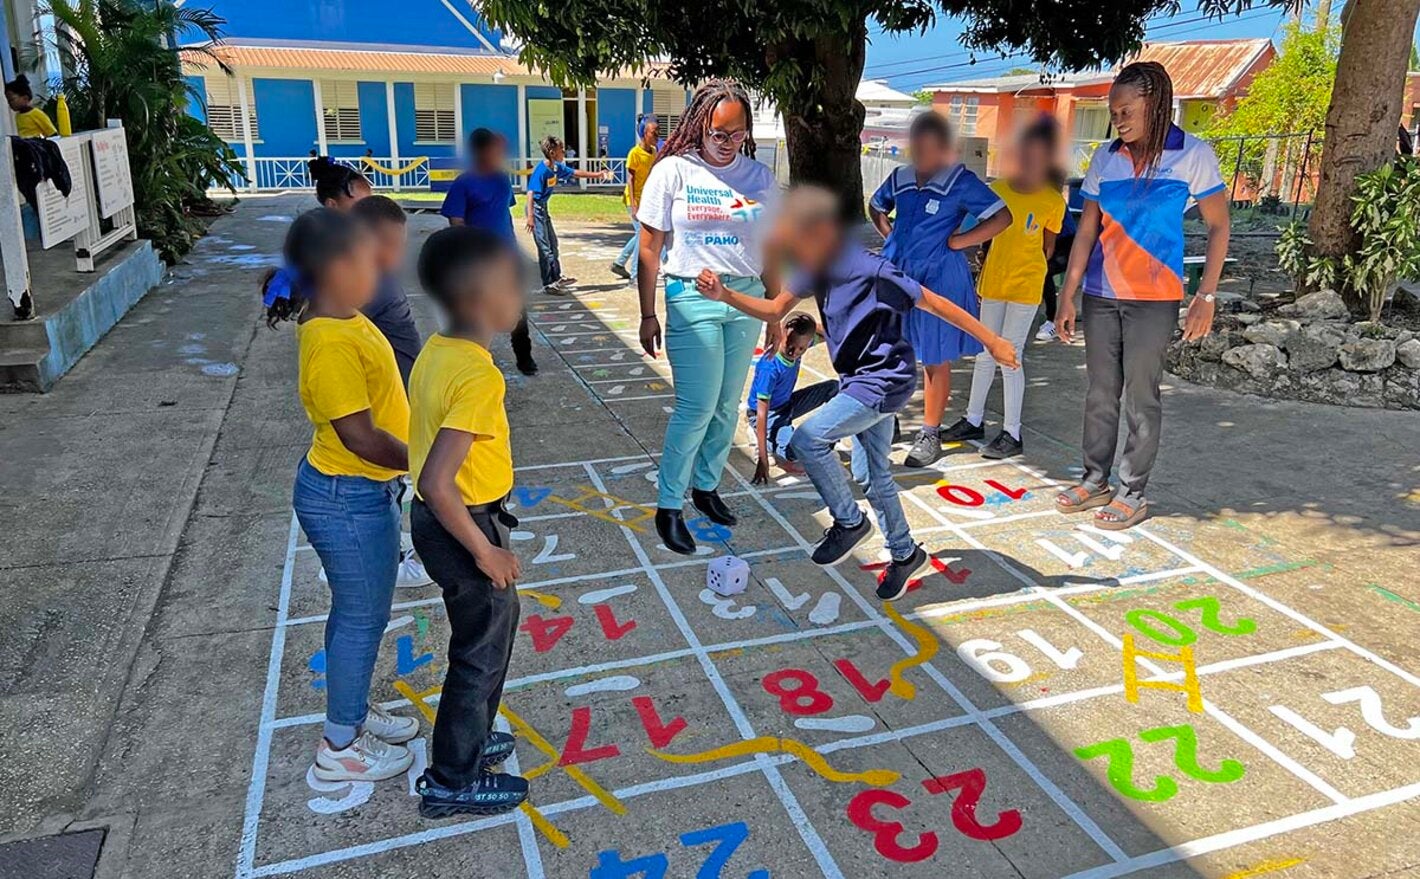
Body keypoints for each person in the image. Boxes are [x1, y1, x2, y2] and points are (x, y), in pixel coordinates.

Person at [695, 186, 1020, 601]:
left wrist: (992, 341)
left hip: (886, 380)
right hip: (857, 379)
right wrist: (725, 295)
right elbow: (776, 309)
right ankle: (905, 553)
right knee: (871, 473)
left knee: (809, 439)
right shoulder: (815, 267)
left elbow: (935, 303)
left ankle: (849, 522)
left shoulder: (872, 269)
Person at [263, 208, 419, 783]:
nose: (377, 268)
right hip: (345, 497)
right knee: (361, 617)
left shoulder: (347, 317)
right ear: (331, 270)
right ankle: (339, 748)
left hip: (363, 494)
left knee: (363, 615)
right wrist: (426, 460)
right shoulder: (328, 339)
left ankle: (351, 713)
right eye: (363, 260)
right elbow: (359, 437)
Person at [1054, 61, 1230, 531]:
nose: (1119, 119)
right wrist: (1067, 294)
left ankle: (1133, 490)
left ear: (1154, 105)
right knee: (1100, 391)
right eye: (1113, 112)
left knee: (1141, 396)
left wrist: (1205, 296)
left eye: (1127, 109)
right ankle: (1096, 480)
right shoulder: (1107, 158)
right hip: (1100, 293)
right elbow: (1087, 231)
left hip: (1154, 298)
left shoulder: (1192, 154)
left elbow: (1218, 226)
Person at [408, 226, 530, 818]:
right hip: (463, 527)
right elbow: (436, 482)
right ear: (482, 295)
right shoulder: (479, 375)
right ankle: (451, 777)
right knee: (479, 651)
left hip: (451, 522)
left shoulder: (440, 350)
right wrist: (486, 551)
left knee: (492, 634)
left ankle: (473, 740)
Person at [636, 79, 781, 555]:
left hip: (744, 299)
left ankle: (706, 486)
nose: (725, 143)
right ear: (699, 125)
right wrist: (647, 313)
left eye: (735, 134)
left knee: (725, 405)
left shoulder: (759, 178)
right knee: (696, 406)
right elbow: (650, 248)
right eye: (717, 133)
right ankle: (669, 505)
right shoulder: (673, 171)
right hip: (691, 296)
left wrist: (775, 313)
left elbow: (771, 251)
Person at [869, 112, 1013, 468]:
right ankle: (891, 418)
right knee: (890, 347)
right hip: (898, 274)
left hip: (939, 276)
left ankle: (929, 433)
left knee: (934, 355)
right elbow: (876, 206)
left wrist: (962, 240)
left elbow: (1002, 217)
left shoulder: (961, 181)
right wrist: (892, 237)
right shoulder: (900, 177)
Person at [949, 117, 1067, 460]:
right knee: (985, 351)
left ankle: (1011, 433)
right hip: (994, 281)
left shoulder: (1051, 201)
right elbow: (982, 232)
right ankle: (973, 419)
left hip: (1025, 286)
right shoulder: (996, 191)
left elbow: (1048, 247)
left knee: (1010, 355)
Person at [441, 128, 536, 375]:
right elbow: (456, 221)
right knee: (477, 311)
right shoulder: (464, 183)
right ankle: (474, 359)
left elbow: (503, 213)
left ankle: (524, 357)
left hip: (507, 256)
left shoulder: (502, 179)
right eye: (494, 149)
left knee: (517, 309)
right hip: (479, 261)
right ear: (481, 152)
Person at [747, 313, 838, 484]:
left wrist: (809, 325)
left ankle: (825, 441)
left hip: (787, 404)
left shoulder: (799, 342)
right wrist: (763, 460)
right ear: (781, 334)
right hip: (767, 413)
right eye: (790, 345)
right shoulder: (770, 365)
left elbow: (832, 331)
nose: (795, 352)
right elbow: (761, 412)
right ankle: (761, 440)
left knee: (835, 388)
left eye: (801, 349)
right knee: (793, 451)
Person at [525, 135, 613, 295]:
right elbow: (531, 193)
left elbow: (576, 173)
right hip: (535, 208)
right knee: (545, 248)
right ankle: (549, 283)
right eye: (561, 149)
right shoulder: (542, 170)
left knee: (553, 243)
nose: (564, 151)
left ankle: (557, 277)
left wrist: (598, 175)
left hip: (543, 208)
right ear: (552, 152)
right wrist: (530, 216)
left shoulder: (557, 167)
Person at [351, 196, 422, 385]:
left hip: (400, 388)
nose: (400, 255)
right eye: (394, 245)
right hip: (396, 387)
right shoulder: (372, 285)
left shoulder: (381, 285)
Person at [610, 115, 660, 283]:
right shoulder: (634, 153)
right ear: (645, 134)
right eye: (654, 132)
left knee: (640, 234)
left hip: (647, 200)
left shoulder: (653, 152)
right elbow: (630, 180)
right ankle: (635, 275)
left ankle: (619, 262)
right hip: (634, 200)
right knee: (641, 234)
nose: (657, 135)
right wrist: (634, 205)